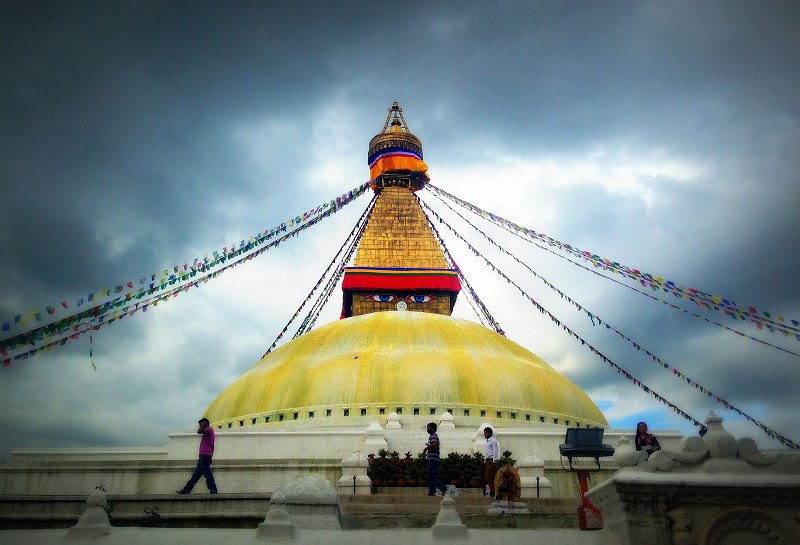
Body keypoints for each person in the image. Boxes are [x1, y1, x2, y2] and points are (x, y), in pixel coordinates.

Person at [177, 417, 218, 494]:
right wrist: (210, 456)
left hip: (205, 455)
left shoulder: (208, 429)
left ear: (205, 423)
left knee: (207, 474)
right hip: (205, 455)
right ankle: (185, 491)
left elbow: (199, 432)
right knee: (195, 476)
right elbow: (212, 446)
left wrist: (202, 426)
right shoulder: (209, 432)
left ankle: (213, 491)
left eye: (201, 424)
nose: (199, 426)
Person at [422, 422, 447, 496]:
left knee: (431, 475)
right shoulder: (433, 436)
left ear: (433, 429)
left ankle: (443, 487)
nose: (427, 429)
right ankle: (432, 492)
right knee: (432, 476)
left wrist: (426, 448)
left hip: (432, 459)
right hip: (433, 459)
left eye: (429, 428)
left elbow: (434, 444)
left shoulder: (433, 436)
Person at [483, 427, 499, 497]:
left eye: (486, 433)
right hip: (487, 461)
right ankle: (490, 493)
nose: (484, 435)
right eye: (484, 433)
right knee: (487, 478)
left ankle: (493, 494)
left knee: (490, 478)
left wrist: (494, 461)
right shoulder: (487, 441)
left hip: (491, 461)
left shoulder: (493, 441)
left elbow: (495, 451)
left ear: (490, 433)